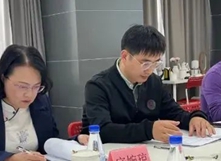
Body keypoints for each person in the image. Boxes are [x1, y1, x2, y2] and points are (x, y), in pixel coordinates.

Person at [0, 45, 88, 161]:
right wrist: (11, 160)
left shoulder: (40, 102)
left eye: (36, 86)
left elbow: (49, 143)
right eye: (22, 86)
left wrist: (76, 141)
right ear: (3, 78)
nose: (29, 94)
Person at [82, 25, 214, 144]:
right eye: (145, 63)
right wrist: (149, 130)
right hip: (111, 156)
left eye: (155, 63)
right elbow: (103, 130)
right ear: (125, 56)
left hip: (149, 153)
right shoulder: (98, 86)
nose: (150, 70)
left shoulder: (154, 82)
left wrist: (194, 118)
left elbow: (174, 113)